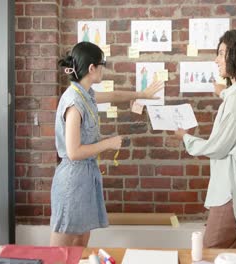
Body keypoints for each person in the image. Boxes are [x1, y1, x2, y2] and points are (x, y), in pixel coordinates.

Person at [50, 41, 163, 247]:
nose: (104, 68)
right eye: (102, 64)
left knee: (81, 240)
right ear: (92, 68)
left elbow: (113, 96)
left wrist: (142, 95)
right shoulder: (74, 102)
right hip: (72, 180)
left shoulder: (86, 95)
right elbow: (73, 152)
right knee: (61, 247)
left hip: (85, 177)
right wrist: (109, 143)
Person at [174, 29, 236, 249]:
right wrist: (222, 92)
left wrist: (185, 137)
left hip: (231, 193)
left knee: (210, 253)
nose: (216, 59)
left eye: (221, 53)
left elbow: (216, 147)